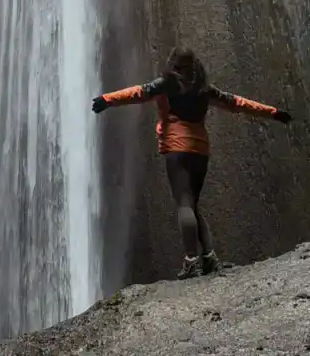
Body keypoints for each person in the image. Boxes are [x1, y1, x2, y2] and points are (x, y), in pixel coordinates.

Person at [92, 47, 292, 280]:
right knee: (193, 205)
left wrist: (107, 100)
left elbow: (138, 93)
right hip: (200, 150)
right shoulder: (203, 88)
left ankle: (191, 261)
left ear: (172, 64)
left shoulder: (166, 84)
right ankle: (209, 257)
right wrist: (273, 113)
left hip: (177, 148)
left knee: (184, 204)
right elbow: (236, 102)